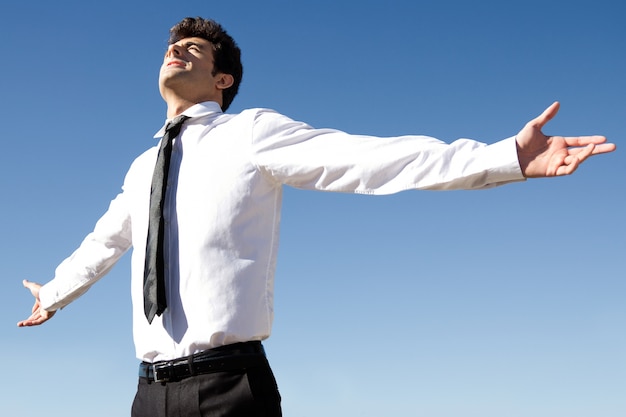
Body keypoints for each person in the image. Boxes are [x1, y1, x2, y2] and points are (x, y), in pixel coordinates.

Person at [17, 16, 615, 417]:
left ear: (222, 80)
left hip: (229, 389)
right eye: (171, 46)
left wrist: (503, 157)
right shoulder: (142, 165)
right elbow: (106, 240)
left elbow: (367, 158)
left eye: (193, 49)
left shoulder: (250, 134)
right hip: (146, 394)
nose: (175, 51)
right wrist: (56, 292)